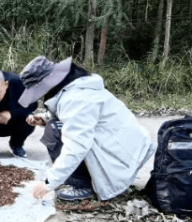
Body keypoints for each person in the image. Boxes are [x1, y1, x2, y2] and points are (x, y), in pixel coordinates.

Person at [19, 56, 156, 201]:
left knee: (53, 131)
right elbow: (76, 117)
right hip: (126, 151)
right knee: (53, 124)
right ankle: (82, 179)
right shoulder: (77, 86)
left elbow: (76, 145)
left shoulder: (77, 99)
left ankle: (82, 186)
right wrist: (45, 118)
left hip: (120, 160)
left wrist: (49, 182)